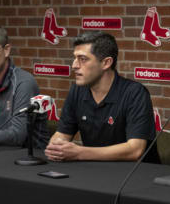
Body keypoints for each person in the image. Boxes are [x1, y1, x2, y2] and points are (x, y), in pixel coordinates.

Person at [45, 31, 160, 163]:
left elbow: (135, 150)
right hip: (95, 172)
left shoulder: (135, 93)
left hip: (136, 176)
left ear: (106, 63)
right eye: (75, 58)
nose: (74, 65)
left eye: (83, 59)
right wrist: (56, 146)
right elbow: (62, 134)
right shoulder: (77, 90)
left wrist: (79, 153)